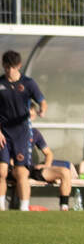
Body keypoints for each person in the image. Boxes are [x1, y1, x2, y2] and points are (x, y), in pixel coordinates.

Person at [0, 50, 46, 211]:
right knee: (2, 171)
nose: (9, 70)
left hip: (21, 135)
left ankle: (24, 208)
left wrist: (42, 109)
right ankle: (1, 207)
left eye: (12, 67)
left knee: (21, 173)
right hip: (3, 134)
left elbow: (42, 101)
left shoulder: (28, 83)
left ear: (19, 66)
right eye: (6, 67)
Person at [28, 122, 76, 210]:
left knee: (65, 171)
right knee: (21, 173)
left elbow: (49, 153)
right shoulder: (8, 132)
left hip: (32, 169)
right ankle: (22, 206)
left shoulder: (34, 132)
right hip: (15, 169)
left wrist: (46, 165)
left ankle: (64, 207)